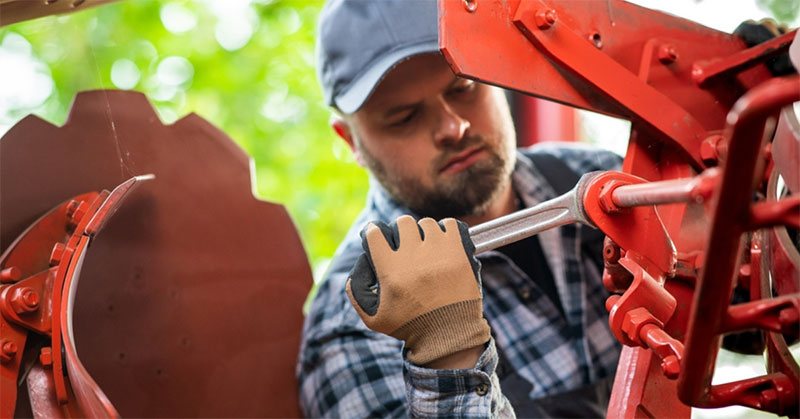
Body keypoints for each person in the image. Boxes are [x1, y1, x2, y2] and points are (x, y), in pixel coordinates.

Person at [298, 0, 622, 417]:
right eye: (404, 118)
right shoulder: (353, 327)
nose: (453, 128)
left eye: (463, 88)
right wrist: (448, 361)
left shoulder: (601, 179)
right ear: (351, 143)